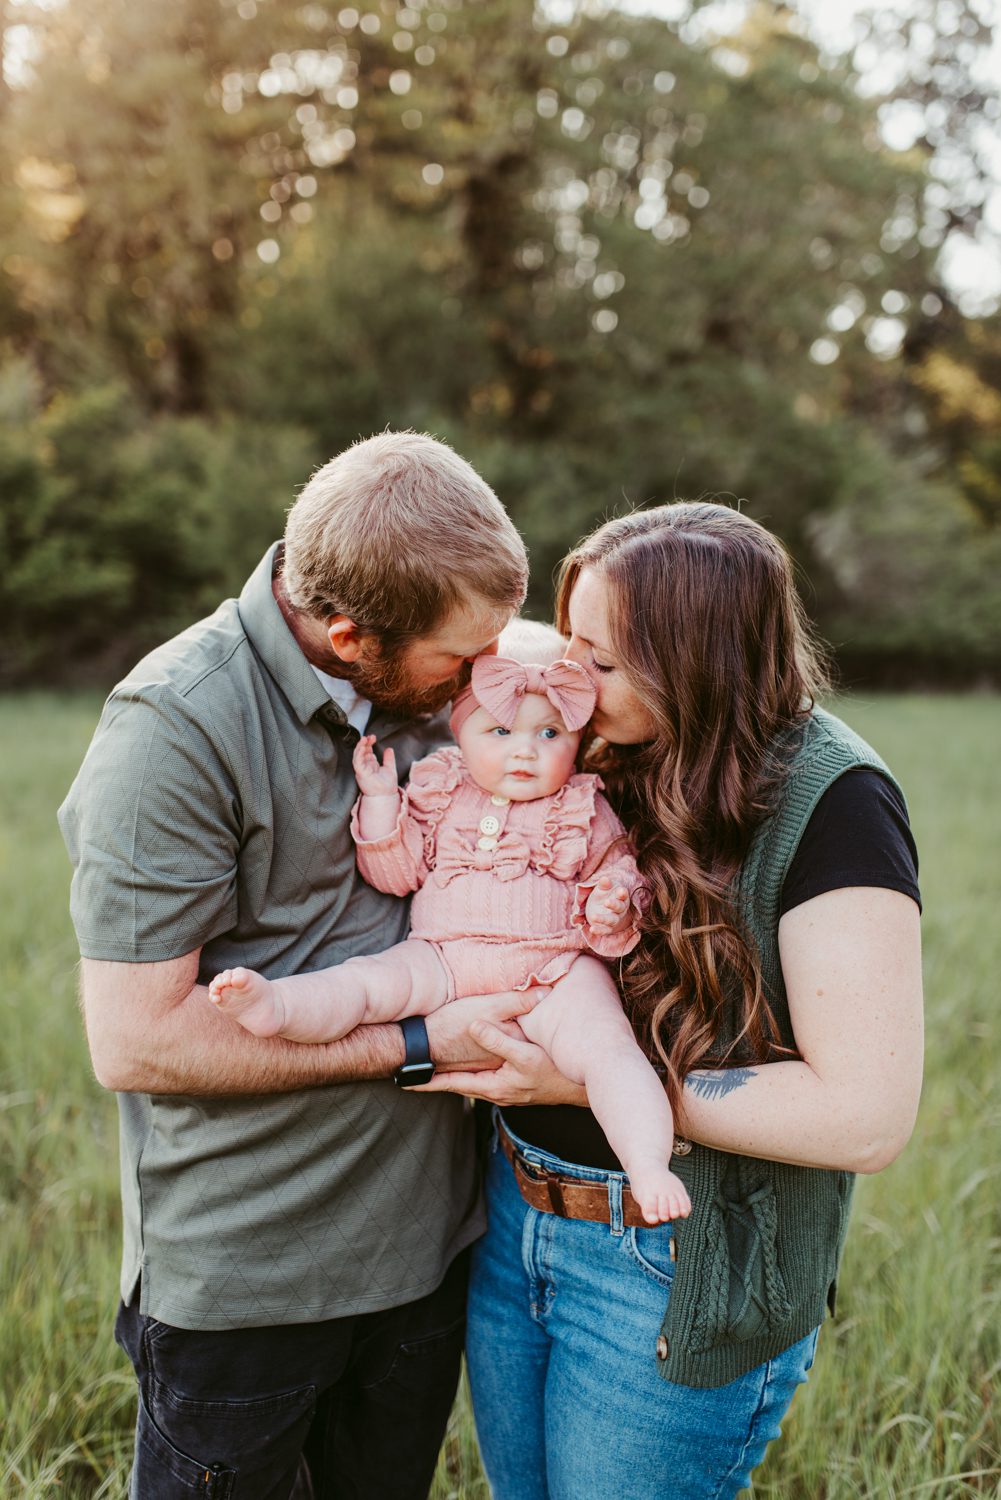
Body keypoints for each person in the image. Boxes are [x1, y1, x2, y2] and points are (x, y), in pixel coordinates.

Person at [57, 431, 532, 1499]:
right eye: (462, 660)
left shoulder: (433, 684)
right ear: (348, 632)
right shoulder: (173, 728)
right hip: (249, 1291)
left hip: (424, 1268)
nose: (487, 681)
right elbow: (137, 1040)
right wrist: (414, 1044)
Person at [417, 502, 924, 1499]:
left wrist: (589, 1082)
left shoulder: (834, 802)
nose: (570, 686)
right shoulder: (594, 750)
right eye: (573, 649)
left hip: (669, 1267)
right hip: (515, 1222)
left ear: (699, 660)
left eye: (602, 664)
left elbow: (863, 1118)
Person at [209, 648, 693, 1225]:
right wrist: (385, 803)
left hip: (554, 972)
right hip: (441, 956)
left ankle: (647, 1165)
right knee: (364, 984)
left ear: (578, 742)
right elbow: (397, 873)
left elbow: (618, 877)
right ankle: (279, 1004)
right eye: (500, 731)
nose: (524, 750)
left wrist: (614, 907)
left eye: (549, 733)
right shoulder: (440, 789)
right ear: (460, 733)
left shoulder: (584, 806)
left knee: (609, 1050)